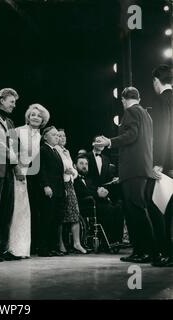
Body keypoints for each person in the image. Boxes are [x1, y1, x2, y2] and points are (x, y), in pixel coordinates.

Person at [93, 87, 162, 264]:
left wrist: (109, 141)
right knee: (136, 210)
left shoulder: (131, 111)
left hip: (133, 170)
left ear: (124, 99)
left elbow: (131, 135)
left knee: (136, 211)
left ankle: (150, 252)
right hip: (142, 168)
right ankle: (141, 251)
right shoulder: (146, 114)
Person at [8, 104, 50, 258]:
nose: (36, 117)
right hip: (17, 173)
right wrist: (17, 169)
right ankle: (11, 248)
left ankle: (23, 249)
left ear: (43, 119)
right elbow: (12, 152)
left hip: (33, 177)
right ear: (28, 116)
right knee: (16, 210)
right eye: (33, 114)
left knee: (27, 213)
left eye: (39, 116)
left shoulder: (41, 137)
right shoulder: (18, 131)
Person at [147, 64, 173, 267]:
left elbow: (165, 132)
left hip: (168, 163)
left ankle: (166, 253)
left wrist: (158, 163)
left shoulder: (163, 100)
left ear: (156, 80)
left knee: (159, 207)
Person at [0, 88, 23, 261]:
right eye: (11, 101)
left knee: (7, 209)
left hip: (9, 169)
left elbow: (15, 146)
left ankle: (2, 248)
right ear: (2, 100)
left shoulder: (10, 121)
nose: (14, 105)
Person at [74, 155, 124, 246]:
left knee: (119, 208)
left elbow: (95, 190)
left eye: (86, 164)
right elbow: (81, 193)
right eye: (81, 163)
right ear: (75, 166)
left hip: (96, 204)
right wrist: (97, 194)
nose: (84, 166)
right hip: (84, 206)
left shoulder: (89, 180)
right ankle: (109, 241)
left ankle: (117, 239)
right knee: (108, 209)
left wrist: (102, 191)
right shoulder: (73, 180)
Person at [56, 129, 87, 254]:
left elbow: (74, 170)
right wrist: (66, 171)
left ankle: (77, 243)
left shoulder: (67, 151)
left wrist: (72, 173)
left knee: (74, 213)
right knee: (61, 215)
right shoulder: (55, 150)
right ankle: (60, 243)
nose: (62, 138)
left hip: (70, 184)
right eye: (59, 135)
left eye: (64, 135)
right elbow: (58, 167)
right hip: (61, 184)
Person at [37, 126, 66, 257]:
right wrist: (45, 185)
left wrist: (63, 189)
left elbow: (60, 173)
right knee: (46, 219)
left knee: (55, 219)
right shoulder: (43, 150)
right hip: (49, 189)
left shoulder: (56, 151)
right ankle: (44, 248)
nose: (57, 137)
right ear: (45, 137)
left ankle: (52, 247)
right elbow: (41, 169)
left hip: (59, 190)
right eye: (54, 135)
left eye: (58, 135)